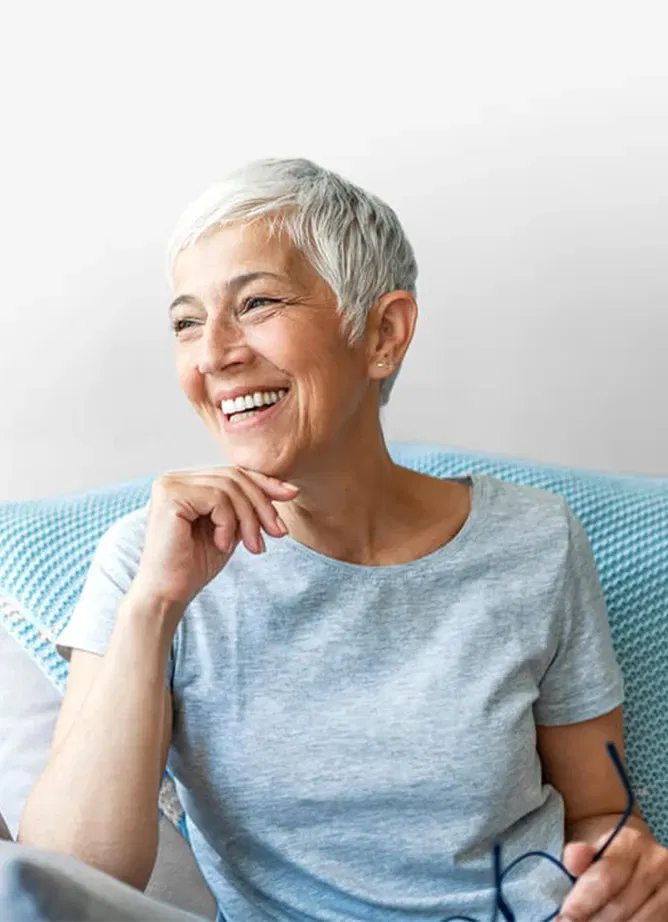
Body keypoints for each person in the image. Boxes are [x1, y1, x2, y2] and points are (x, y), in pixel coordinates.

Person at [17, 159, 668, 921]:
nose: (213, 353)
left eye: (256, 303)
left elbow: (602, 812)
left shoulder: (536, 541)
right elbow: (68, 880)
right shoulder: (147, 560)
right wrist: (153, 606)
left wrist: (629, 876)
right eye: (187, 321)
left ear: (383, 333)